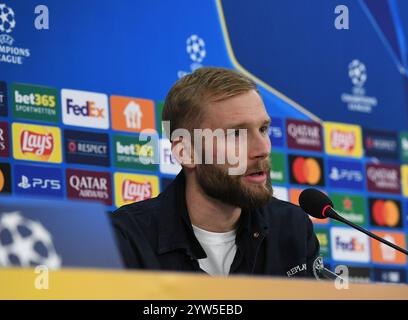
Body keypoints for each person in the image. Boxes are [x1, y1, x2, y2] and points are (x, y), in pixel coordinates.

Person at [110, 67, 320, 277]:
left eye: (263, 129)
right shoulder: (127, 238)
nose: (262, 149)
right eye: (236, 134)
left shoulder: (293, 228)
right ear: (186, 152)